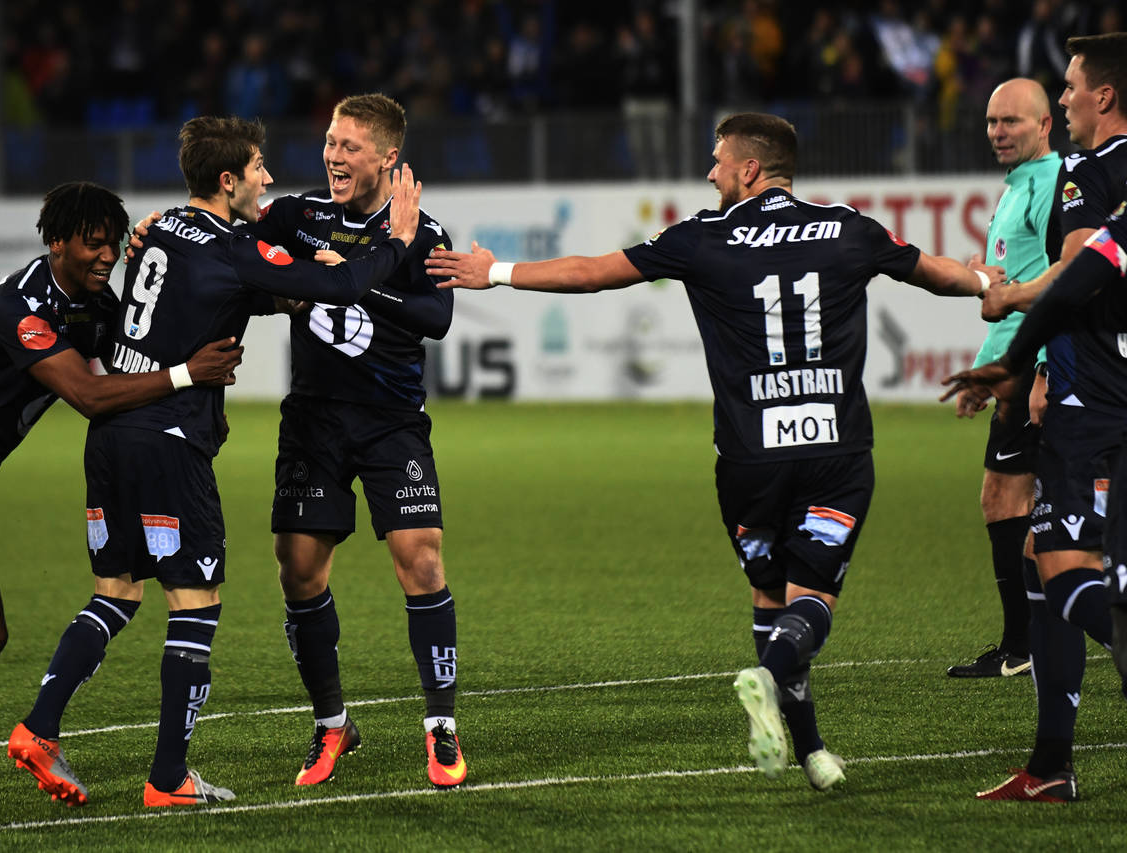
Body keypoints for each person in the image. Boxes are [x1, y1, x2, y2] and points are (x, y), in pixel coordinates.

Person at [426, 112, 1002, 791]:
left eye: (718, 161)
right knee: (810, 600)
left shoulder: (703, 237)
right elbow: (933, 272)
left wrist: (497, 272)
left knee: (769, 595)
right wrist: (985, 284)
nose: (709, 173)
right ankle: (774, 687)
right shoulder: (849, 227)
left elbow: (593, 273)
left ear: (749, 171)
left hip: (748, 459)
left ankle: (811, 749)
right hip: (833, 450)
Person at [6, 116, 424, 807]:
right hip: (167, 442)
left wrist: (284, 294)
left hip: (111, 435)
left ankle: (39, 727)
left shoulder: (162, 227)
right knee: (195, 604)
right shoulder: (232, 246)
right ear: (227, 180)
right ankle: (168, 778)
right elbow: (342, 290)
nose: (268, 177)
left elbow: (226, 296)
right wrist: (398, 241)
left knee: (116, 591)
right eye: (259, 167)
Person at [0, 181, 242, 805]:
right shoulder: (21, 307)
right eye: (93, 246)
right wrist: (190, 374)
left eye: (113, 245)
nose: (106, 257)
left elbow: (139, 343)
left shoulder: (87, 299)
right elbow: (88, 395)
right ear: (56, 242)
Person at [244, 93, 464, 788]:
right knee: (298, 570)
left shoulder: (424, 233)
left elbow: (436, 316)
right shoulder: (297, 216)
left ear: (387, 157)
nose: (332, 157)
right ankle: (333, 724)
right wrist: (159, 228)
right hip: (313, 420)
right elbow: (229, 242)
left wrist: (346, 282)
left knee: (420, 560)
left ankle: (441, 727)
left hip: (391, 420)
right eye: (331, 143)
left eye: (349, 147)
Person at [943, 32, 1127, 802]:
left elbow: (1080, 271)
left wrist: (1022, 356)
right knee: (1043, 566)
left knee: (1067, 570)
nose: (1065, 98)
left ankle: (1052, 762)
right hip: (1104, 385)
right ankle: (1051, 764)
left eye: (1073, 86)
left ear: (1104, 97)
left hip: (1092, 397)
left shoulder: (1088, 169)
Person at [945, 79, 1061, 678]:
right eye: (992, 121)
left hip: (1043, 373)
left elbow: (1065, 281)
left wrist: (1042, 369)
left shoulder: (1054, 183)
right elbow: (1019, 278)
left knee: (1041, 516)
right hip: (1015, 370)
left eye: (1011, 121)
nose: (998, 132)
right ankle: (1023, 645)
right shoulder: (1018, 185)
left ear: (1045, 125)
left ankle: (1032, 645)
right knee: (1004, 501)